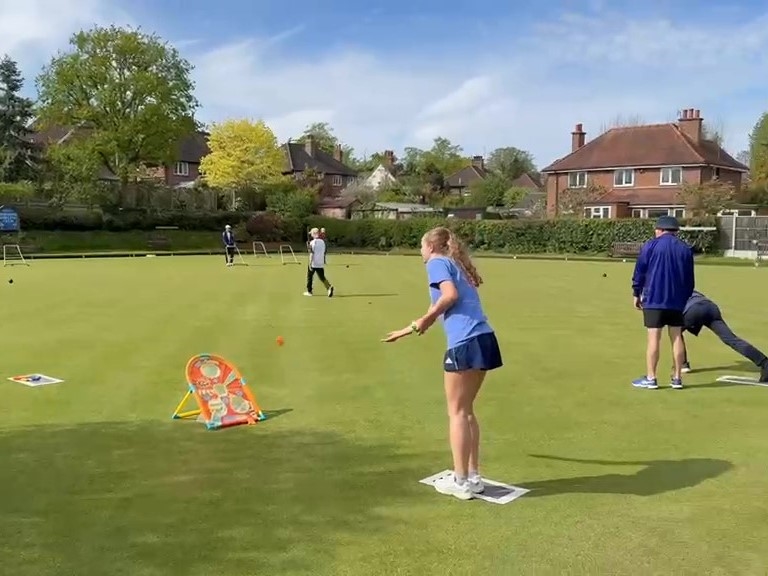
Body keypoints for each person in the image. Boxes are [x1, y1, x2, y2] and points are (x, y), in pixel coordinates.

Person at [381, 226, 502, 500]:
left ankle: (461, 481)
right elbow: (436, 309)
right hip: (484, 339)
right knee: (466, 411)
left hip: (465, 342)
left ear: (431, 247)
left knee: (457, 413)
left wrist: (425, 320)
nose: (420, 252)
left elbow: (449, 297)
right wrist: (408, 329)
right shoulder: (454, 264)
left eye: (421, 246)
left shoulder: (436, 263)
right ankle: (473, 477)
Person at [631, 215, 695, 390]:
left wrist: (636, 292)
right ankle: (677, 378)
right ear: (676, 231)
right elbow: (690, 280)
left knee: (654, 338)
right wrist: (684, 298)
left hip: (653, 299)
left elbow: (640, 272)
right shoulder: (685, 249)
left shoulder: (650, 245)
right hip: (676, 301)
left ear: (659, 230)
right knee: (677, 337)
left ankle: (651, 378)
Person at [680, 290, 768, 382]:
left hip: (692, 310)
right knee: (731, 339)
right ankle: (764, 362)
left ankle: (683, 365)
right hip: (710, 307)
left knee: (676, 334)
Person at [304, 227, 334, 297]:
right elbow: (323, 251)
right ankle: (329, 287)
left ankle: (309, 291)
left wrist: (310, 262)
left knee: (309, 277)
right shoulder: (322, 242)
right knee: (322, 277)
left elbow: (311, 253)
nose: (311, 235)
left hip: (314, 262)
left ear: (314, 234)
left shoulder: (312, 242)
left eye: (311, 234)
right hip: (320, 262)